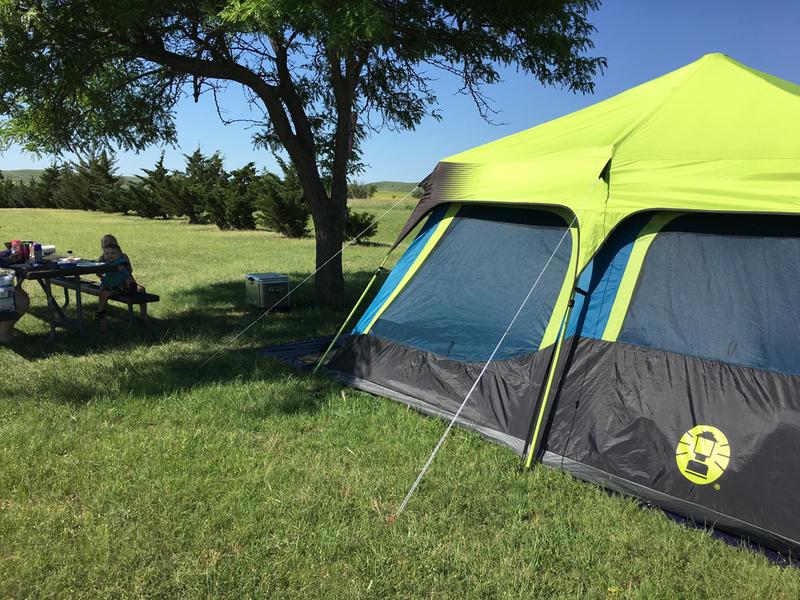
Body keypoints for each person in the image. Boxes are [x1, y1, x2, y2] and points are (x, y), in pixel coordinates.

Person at [96, 235, 149, 331]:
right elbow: (98, 273)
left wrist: (124, 269)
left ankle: (144, 315)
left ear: (116, 244)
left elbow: (130, 271)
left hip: (123, 282)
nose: (108, 244)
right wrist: (104, 278)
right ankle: (102, 319)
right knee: (103, 294)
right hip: (109, 283)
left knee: (141, 289)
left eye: (111, 242)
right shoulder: (103, 258)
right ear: (102, 247)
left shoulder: (123, 257)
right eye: (105, 243)